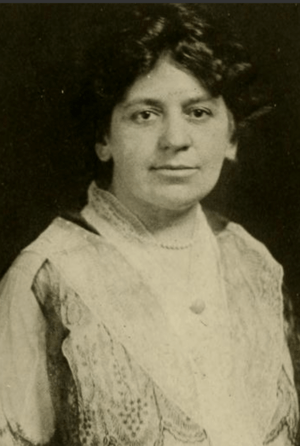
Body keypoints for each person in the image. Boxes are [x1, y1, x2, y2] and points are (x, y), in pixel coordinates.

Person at [0, 4, 298, 446]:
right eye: (146, 114)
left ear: (231, 136)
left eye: (198, 112)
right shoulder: (47, 276)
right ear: (104, 138)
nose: (175, 140)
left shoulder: (253, 262)